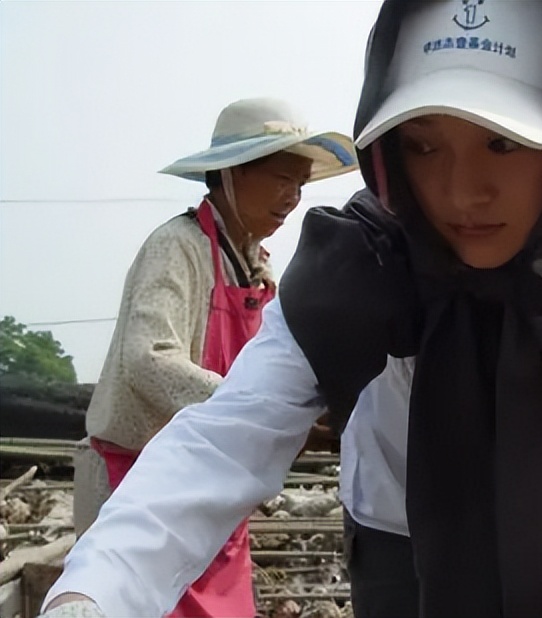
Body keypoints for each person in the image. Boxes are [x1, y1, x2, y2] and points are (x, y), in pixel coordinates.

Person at [43, 2, 542, 618]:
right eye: (424, 144)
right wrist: (96, 586)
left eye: (505, 142)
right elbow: (223, 441)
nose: (463, 192)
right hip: (399, 542)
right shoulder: (356, 265)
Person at [70, 97, 357, 618]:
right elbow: (148, 359)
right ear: (230, 173)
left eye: (300, 183)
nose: (291, 197)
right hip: (137, 482)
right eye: (279, 178)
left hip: (212, 486)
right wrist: (251, 409)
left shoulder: (260, 269)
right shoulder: (176, 247)